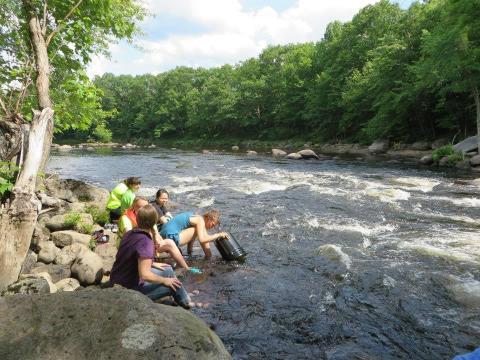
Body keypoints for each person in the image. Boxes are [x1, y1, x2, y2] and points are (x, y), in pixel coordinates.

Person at [110, 204, 192, 308]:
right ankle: (187, 303)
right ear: (155, 222)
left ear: (137, 219)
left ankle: (181, 295)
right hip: (128, 290)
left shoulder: (130, 234)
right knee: (174, 285)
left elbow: (131, 257)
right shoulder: (146, 242)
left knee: (168, 269)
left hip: (117, 279)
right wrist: (165, 280)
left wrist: (152, 263)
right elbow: (145, 275)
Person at [118, 196, 200, 274]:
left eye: (146, 207)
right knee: (169, 244)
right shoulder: (126, 218)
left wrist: (159, 243)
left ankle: (185, 268)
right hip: (132, 249)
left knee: (169, 243)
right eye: (140, 207)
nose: (144, 210)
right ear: (133, 206)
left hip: (145, 245)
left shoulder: (148, 216)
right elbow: (129, 238)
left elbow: (156, 234)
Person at [160, 209, 228, 259]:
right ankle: (208, 256)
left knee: (199, 231)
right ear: (209, 219)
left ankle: (207, 255)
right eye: (212, 225)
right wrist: (218, 235)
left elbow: (191, 238)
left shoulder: (195, 216)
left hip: (163, 236)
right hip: (170, 237)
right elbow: (202, 239)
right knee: (199, 232)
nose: (211, 227)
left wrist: (189, 253)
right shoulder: (200, 220)